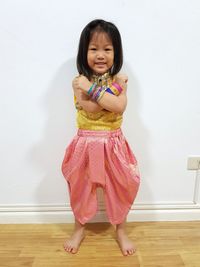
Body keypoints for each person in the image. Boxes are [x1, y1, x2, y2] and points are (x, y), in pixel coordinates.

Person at [61, 19, 140, 256]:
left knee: (121, 186)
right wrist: (103, 92)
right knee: (81, 188)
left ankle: (121, 230)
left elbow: (118, 106)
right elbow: (93, 109)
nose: (100, 55)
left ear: (116, 52)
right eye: (93, 49)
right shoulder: (78, 82)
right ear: (84, 52)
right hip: (85, 143)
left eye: (107, 49)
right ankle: (79, 229)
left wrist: (98, 91)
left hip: (113, 144)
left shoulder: (118, 81)